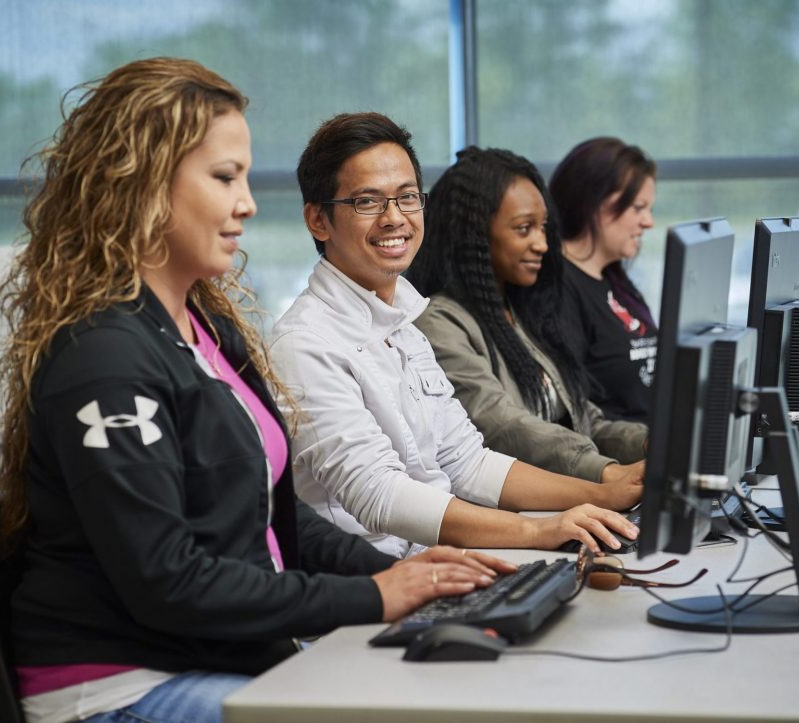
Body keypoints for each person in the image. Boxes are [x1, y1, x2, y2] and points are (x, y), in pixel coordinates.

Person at [0, 59, 508, 723]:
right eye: (224, 177)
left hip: (217, 657)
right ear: (143, 183)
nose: (247, 203)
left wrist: (402, 576)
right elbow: (169, 580)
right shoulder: (104, 355)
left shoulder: (204, 329)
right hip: (122, 686)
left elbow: (271, 513)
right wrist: (375, 596)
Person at [271, 112, 641, 561]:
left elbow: (468, 462)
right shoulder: (303, 343)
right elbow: (378, 493)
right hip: (368, 583)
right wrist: (538, 531)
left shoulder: (404, 324)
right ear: (318, 220)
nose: (395, 218)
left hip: (437, 563)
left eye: (408, 197)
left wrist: (603, 495)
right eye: (368, 202)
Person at [407, 146, 647, 490]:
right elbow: (500, 424)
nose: (542, 244)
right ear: (475, 235)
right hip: (514, 506)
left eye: (542, 227)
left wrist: (649, 443)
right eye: (524, 229)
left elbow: (585, 421)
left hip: (566, 493)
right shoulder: (440, 323)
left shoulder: (520, 312)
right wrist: (604, 471)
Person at [548, 137, 659, 423]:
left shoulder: (614, 277)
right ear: (594, 203)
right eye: (638, 208)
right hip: (617, 448)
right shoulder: (559, 287)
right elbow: (575, 409)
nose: (649, 222)